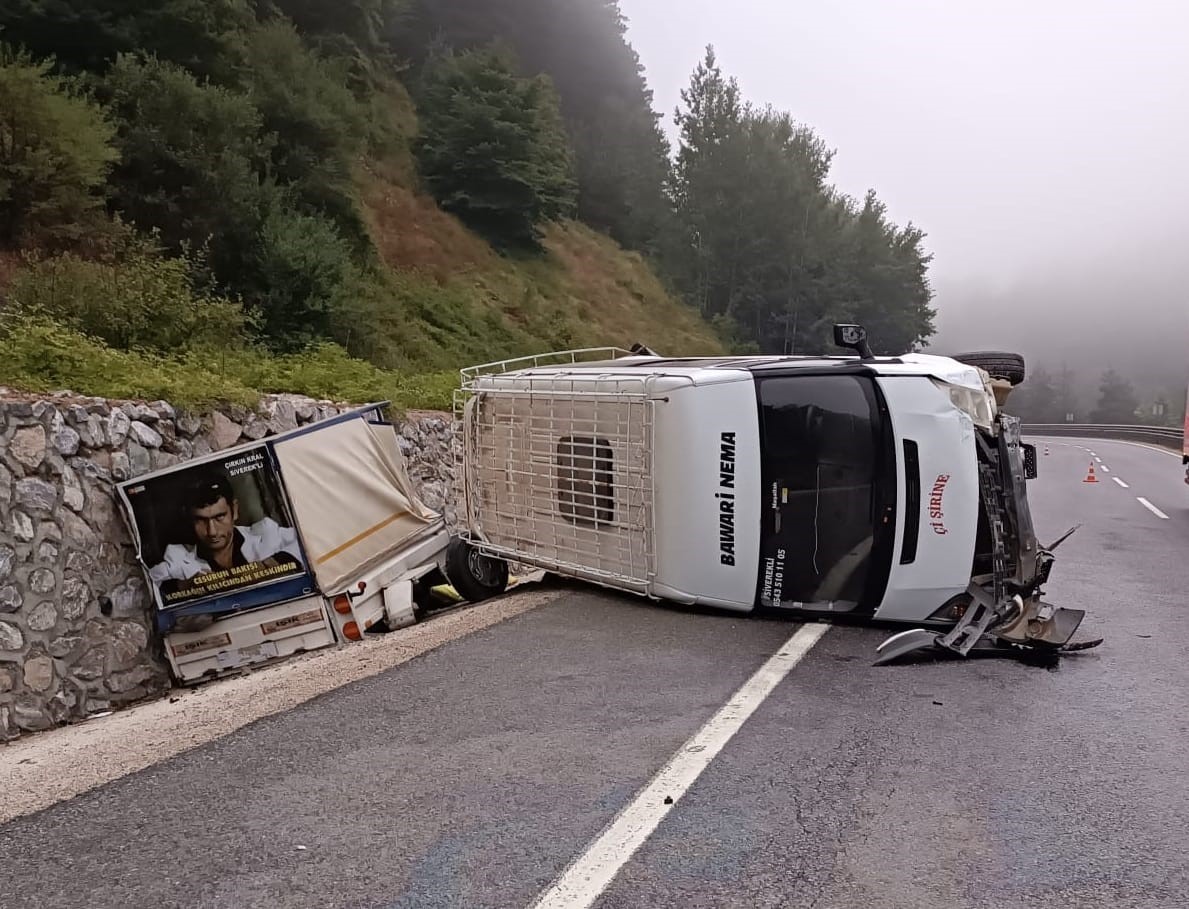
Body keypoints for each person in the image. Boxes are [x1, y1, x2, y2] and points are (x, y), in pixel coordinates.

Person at [149, 468, 306, 600]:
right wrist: (185, 586)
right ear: (190, 520)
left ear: (234, 511)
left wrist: (270, 566)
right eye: (200, 520)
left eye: (219, 517)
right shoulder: (178, 557)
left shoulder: (267, 534)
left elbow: (309, 541)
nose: (212, 531)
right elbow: (152, 584)